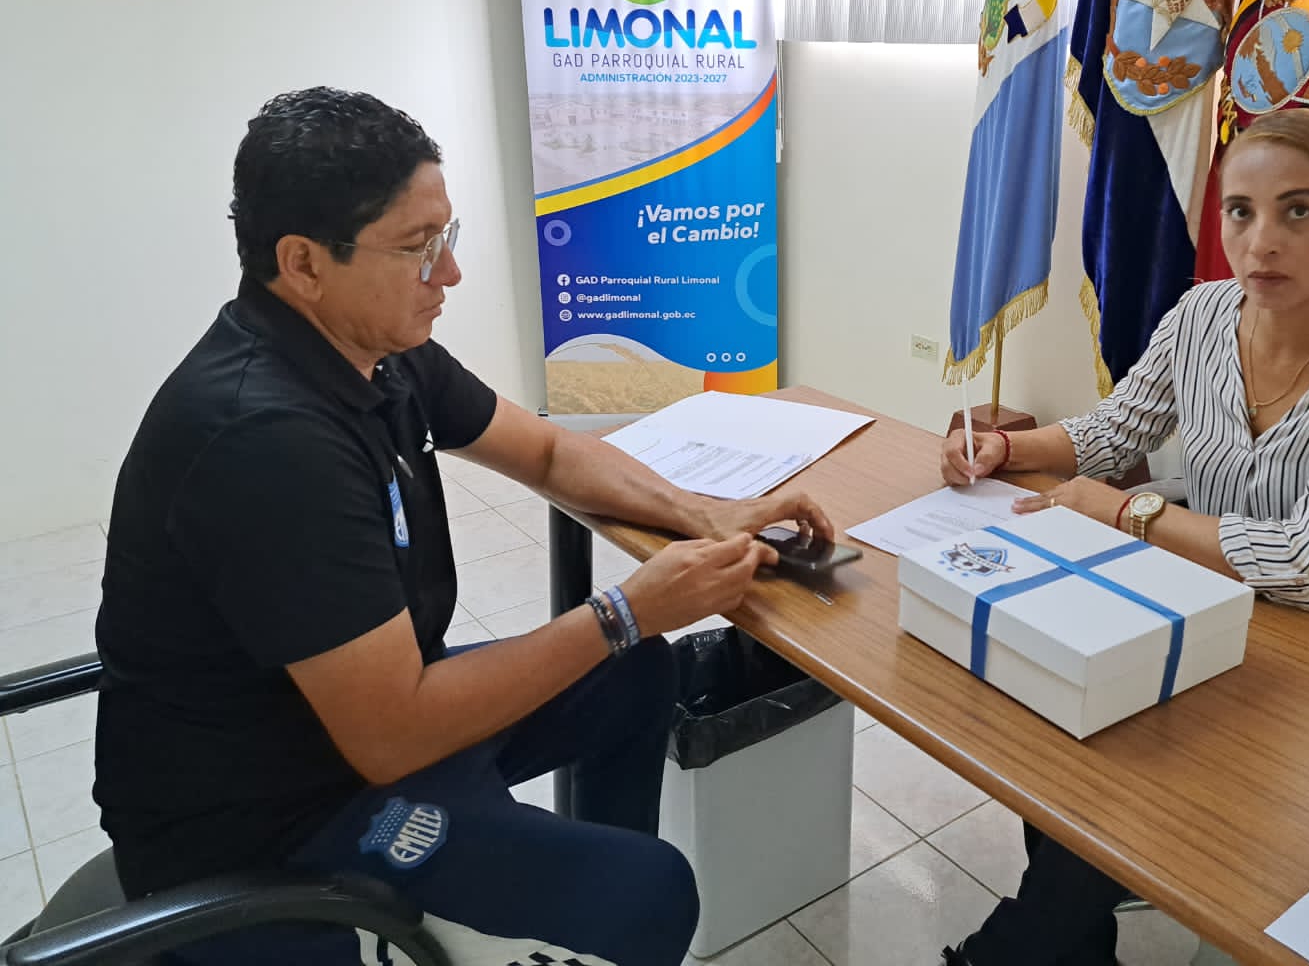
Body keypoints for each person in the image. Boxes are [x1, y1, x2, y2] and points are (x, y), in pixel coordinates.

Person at [92, 87, 833, 966]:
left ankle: (566, 916)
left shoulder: (376, 351)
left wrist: (706, 513)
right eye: (417, 248)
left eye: (446, 236)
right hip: (270, 819)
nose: (448, 274)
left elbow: (548, 453)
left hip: (351, 730)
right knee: (652, 889)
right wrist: (624, 609)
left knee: (637, 673)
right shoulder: (265, 439)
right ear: (304, 263)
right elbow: (393, 736)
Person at [936, 108, 1309, 966]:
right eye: (1240, 212)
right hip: (1219, 593)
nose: (1262, 243)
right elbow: (1115, 431)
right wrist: (1005, 449)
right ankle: (1060, 942)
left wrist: (1124, 513)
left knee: (1117, 768)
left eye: (1299, 211)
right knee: (1066, 723)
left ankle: (1023, 949)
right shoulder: (1202, 313)